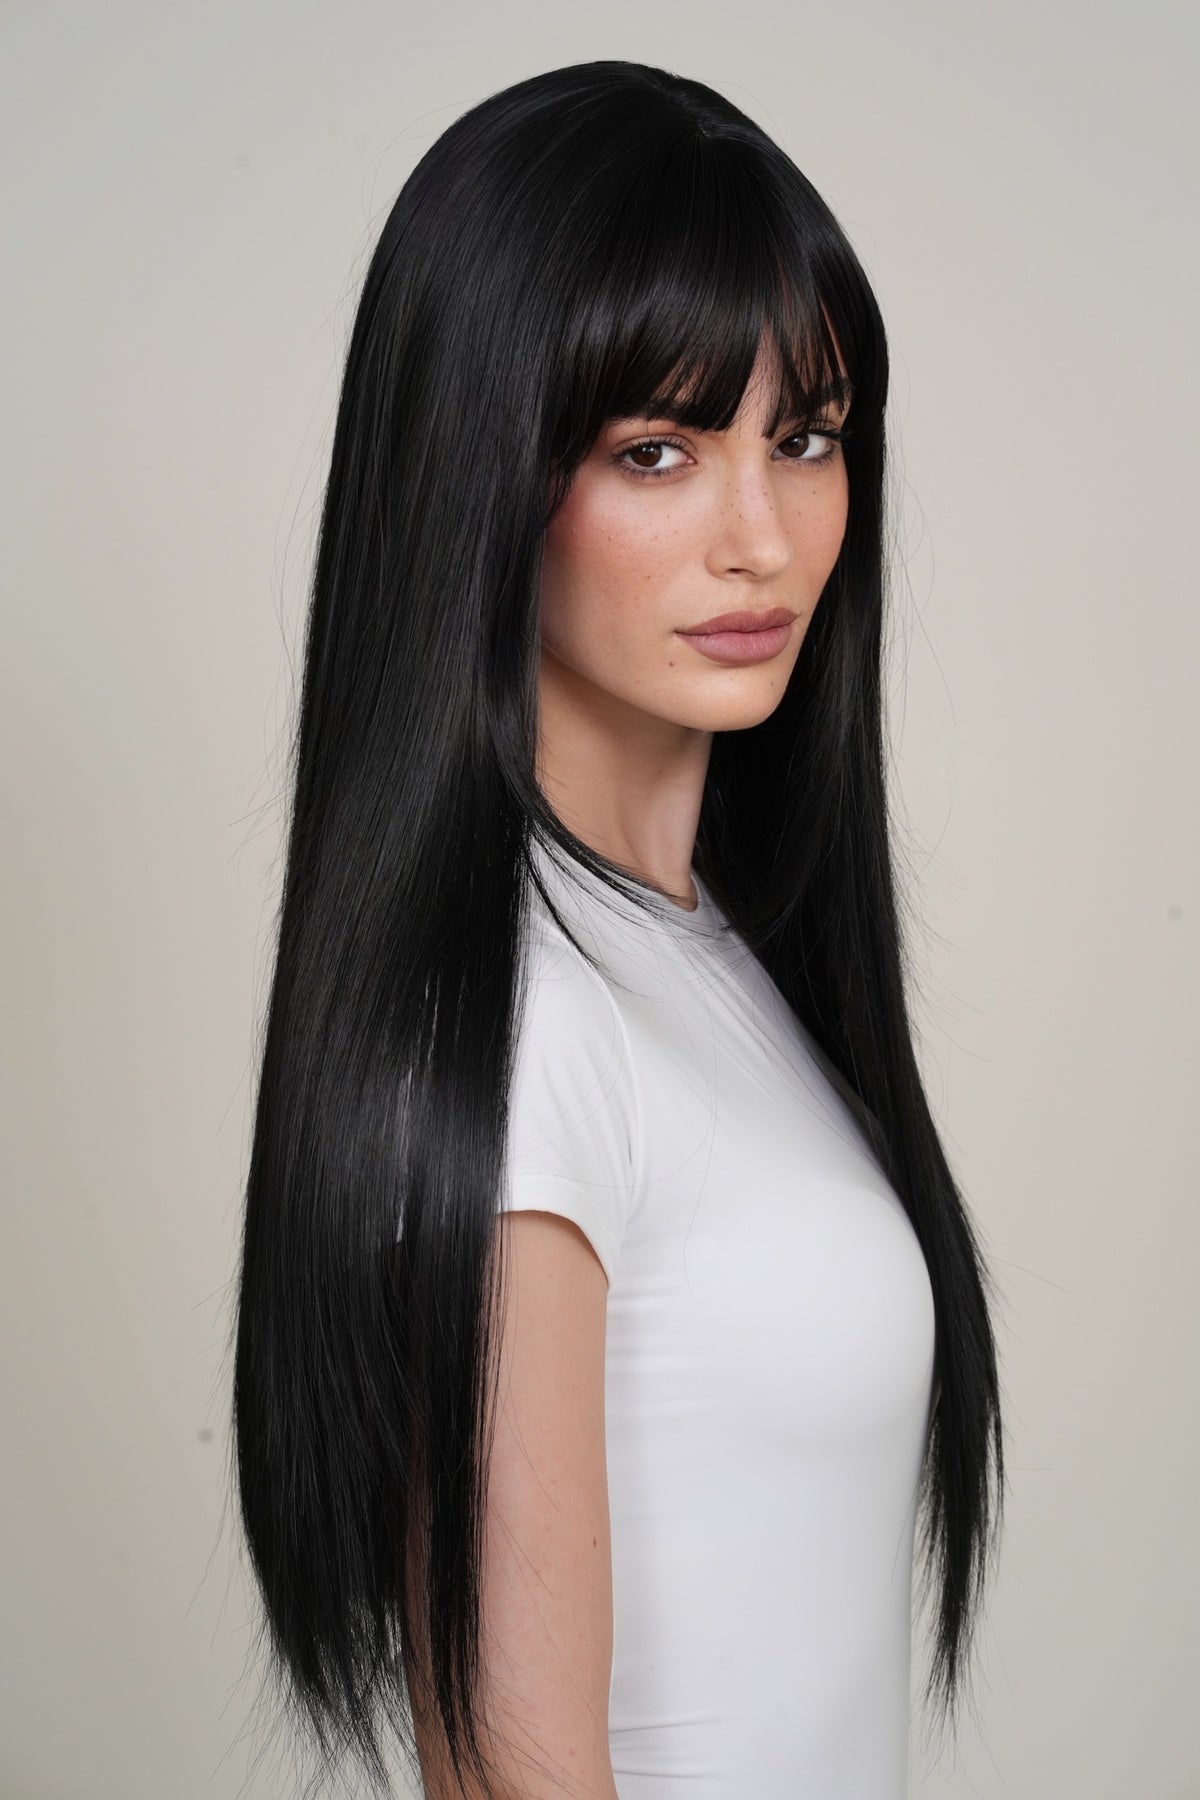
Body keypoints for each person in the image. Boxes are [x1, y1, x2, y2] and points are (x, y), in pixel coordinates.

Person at [232, 59, 1006, 1800]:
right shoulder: (527, 1033)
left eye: (805, 438)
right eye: (657, 450)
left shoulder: (711, 957)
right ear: (482, 473)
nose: (764, 539)